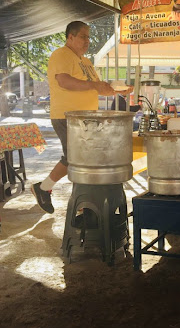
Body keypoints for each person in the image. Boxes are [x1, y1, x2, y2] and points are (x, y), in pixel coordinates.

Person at [31, 21, 130, 214]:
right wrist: (95, 86)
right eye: (83, 36)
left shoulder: (86, 61)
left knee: (83, 160)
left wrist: (119, 90)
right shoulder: (61, 54)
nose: (87, 41)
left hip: (86, 118)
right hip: (67, 116)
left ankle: (62, 195)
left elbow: (96, 86)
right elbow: (64, 81)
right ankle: (79, 203)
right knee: (78, 160)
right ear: (71, 37)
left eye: (88, 37)